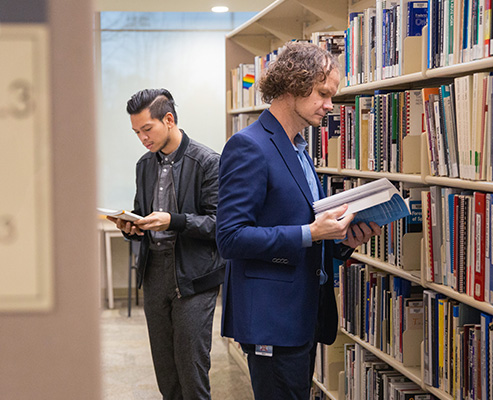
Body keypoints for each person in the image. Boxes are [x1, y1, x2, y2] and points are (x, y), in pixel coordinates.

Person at [216, 41, 381, 400]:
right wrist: (310, 232)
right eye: (323, 93)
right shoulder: (249, 146)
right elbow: (229, 237)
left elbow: (300, 228)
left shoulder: (300, 149)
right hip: (272, 320)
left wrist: (341, 242)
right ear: (293, 84)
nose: (330, 105)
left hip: (303, 315)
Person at [107, 88, 225, 400]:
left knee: (191, 370)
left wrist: (173, 220)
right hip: (154, 271)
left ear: (169, 119)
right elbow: (145, 216)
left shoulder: (207, 162)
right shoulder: (144, 165)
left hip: (193, 275)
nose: (143, 138)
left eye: (147, 129)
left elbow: (219, 224)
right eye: (137, 132)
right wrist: (131, 227)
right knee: (166, 373)